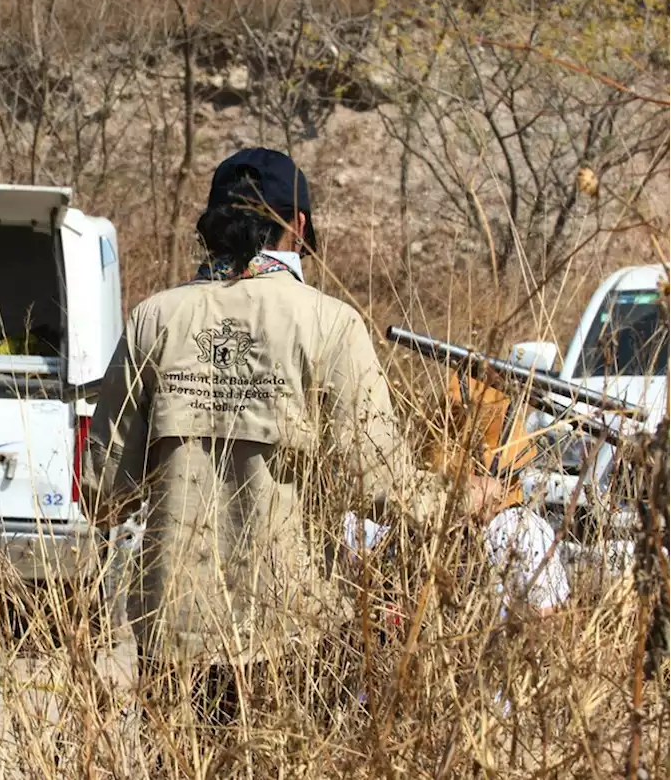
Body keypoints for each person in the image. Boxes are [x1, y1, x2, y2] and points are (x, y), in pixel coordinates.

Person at [82, 148, 504, 753]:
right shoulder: (330, 325)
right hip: (289, 638)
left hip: (170, 634)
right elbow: (379, 485)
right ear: (299, 226)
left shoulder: (155, 319)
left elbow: (105, 491)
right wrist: (464, 498)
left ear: (214, 224)